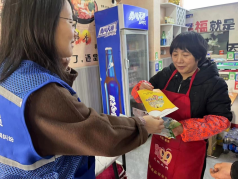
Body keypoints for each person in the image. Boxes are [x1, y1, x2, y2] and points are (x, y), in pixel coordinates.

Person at [0, 0, 165, 178]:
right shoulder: (41, 93)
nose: (75, 32)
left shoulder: (9, 72)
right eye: (71, 22)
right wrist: (143, 125)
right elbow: (101, 135)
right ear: (43, 24)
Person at [131, 31, 232, 179]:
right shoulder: (167, 74)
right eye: (175, 54)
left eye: (185, 55)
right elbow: (144, 92)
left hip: (189, 151)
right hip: (161, 144)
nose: (179, 60)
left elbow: (221, 121)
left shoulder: (214, 83)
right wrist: (141, 88)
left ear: (198, 56)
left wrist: (183, 128)